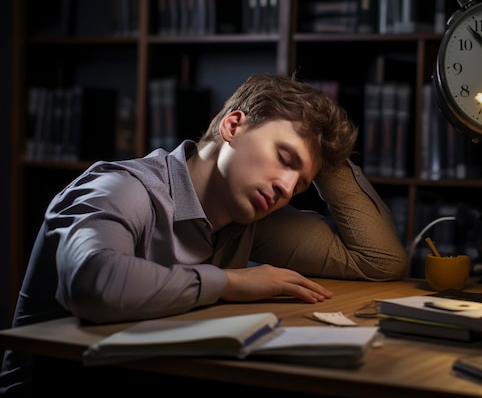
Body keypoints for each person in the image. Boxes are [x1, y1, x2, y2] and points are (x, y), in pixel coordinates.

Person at [0, 73, 407, 395]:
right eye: (283, 158)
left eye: (300, 185)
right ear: (233, 125)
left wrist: (325, 152)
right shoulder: (121, 189)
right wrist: (229, 282)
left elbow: (380, 261)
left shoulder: (250, 219)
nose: (286, 187)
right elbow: (93, 283)